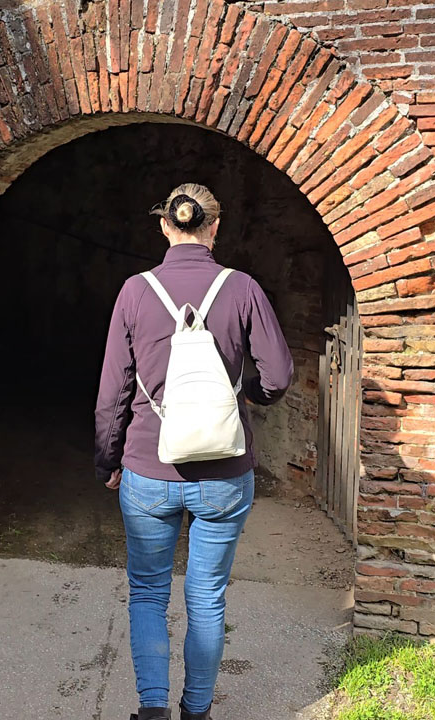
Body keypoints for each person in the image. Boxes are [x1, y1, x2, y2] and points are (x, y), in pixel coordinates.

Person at [94, 183, 294, 720]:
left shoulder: (135, 291)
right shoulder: (242, 287)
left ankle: (152, 710)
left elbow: (114, 388)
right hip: (226, 473)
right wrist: (246, 394)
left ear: (165, 226)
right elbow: (278, 375)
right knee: (206, 598)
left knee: (149, 595)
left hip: (147, 468)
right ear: (215, 227)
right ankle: (197, 711)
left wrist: (108, 460)